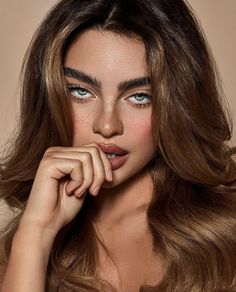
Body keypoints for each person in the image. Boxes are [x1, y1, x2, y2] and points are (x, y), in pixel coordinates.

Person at [0, 0, 236, 291]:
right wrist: (35, 234)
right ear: (51, 96)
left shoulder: (227, 233)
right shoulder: (22, 250)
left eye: (139, 96)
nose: (108, 125)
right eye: (81, 91)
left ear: (177, 104)